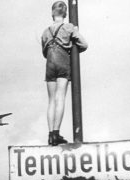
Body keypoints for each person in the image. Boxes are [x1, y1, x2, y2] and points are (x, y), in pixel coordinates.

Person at [41, 1, 88, 145]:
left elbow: (44, 52)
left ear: (52, 13)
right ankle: (56, 133)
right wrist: (75, 32)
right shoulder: (68, 27)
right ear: (65, 13)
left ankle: (50, 135)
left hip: (49, 62)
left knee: (51, 101)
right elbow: (84, 44)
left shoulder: (45, 31)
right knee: (60, 98)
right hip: (62, 61)